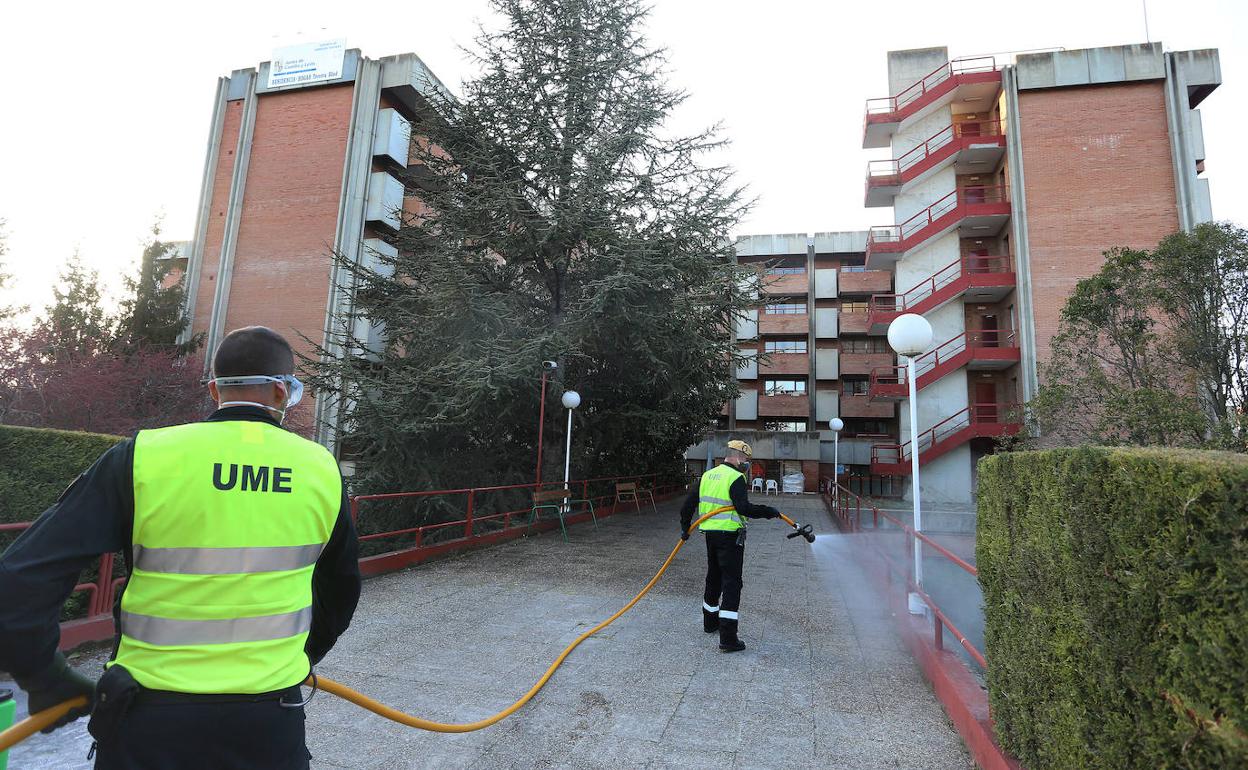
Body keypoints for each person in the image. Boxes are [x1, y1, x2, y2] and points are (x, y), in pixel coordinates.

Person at [0, 326, 361, 769]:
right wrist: (300, 658)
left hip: (149, 720)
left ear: (213, 390)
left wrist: (45, 676)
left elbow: (21, 577)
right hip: (268, 722)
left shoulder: (145, 456)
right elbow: (342, 588)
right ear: (283, 393)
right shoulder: (320, 469)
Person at [678, 440, 780, 652]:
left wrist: (685, 527)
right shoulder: (736, 477)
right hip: (730, 538)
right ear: (739, 457)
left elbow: (688, 504)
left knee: (713, 578)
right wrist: (768, 511)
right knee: (732, 583)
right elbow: (744, 508)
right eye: (746, 460)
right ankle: (728, 637)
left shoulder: (708, 475)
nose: (747, 465)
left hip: (710, 535)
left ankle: (710, 623)